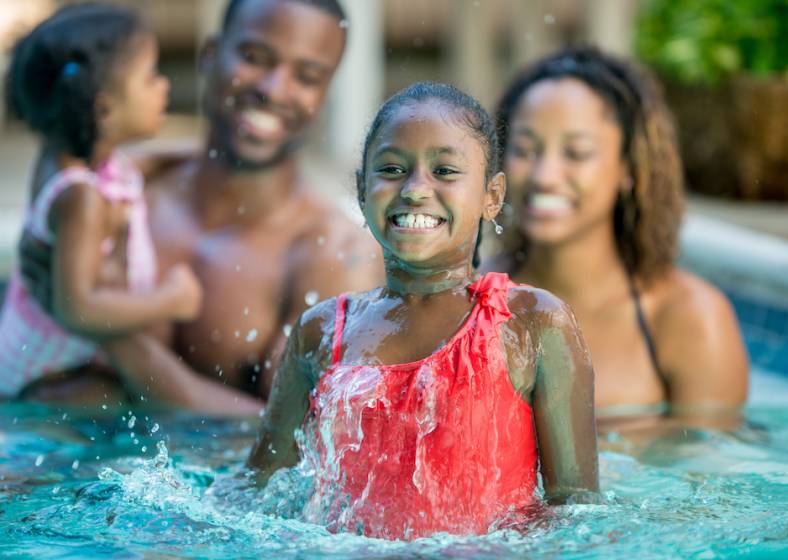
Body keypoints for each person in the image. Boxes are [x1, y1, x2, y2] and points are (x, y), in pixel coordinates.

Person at [247, 82, 598, 540]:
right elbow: (259, 490)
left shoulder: (532, 323)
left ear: (492, 196)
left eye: (445, 171)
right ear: (362, 189)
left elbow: (575, 512)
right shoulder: (323, 331)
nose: (414, 190)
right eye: (392, 169)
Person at [16, 0, 381, 413]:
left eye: (307, 77)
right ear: (210, 55)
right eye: (254, 57)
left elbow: (299, 434)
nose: (274, 89)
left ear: (325, 94)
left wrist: (106, 330)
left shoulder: (333, 255)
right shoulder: (115, 193)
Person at [493, 46, 749, 431]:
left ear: (629, 167)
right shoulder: (468, 300)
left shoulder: (690, 319)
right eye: (524, 150)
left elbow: (716, 464)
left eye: (576, 153)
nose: (545, 175)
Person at [0, 4, 203, 400]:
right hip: (45, 377)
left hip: (56, 357)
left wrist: (193, 154)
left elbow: (135, 166)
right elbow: (77, 308)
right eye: (151, 76)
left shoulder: (72, 156)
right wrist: (171, 300)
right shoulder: (81, 199)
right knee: (121, 402)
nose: (164, 86)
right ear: (105, 108)